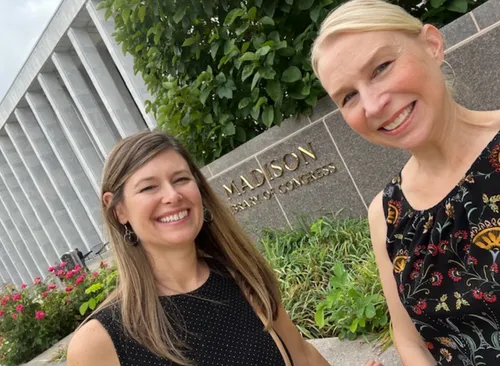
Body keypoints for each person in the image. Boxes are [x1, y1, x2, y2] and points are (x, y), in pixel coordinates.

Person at [311, 0, 500, 365]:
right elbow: (411, 341)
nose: (372, 105)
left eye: (381, 67)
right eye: (348, 96)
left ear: (432, 44)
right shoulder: (386, 214)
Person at [66, 131, 338, 366]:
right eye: (149, 187)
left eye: (181, 179)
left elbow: (302, 357)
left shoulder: (243, 277)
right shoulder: (99, 341)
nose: (172, 196)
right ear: (119, 209)